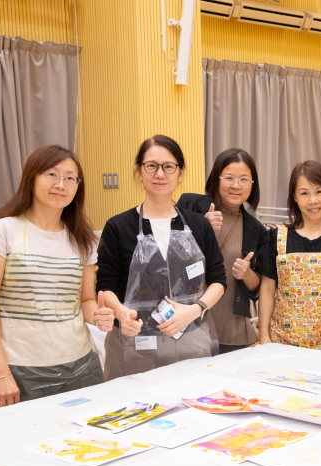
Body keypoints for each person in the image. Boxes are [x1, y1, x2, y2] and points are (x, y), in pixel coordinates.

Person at [0, 145, 107, 407]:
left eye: (70, 178)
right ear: (31, 178)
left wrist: (99, 316)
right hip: (19, 367)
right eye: (52, 174)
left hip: (81, 363)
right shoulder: (4, 230)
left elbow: (86, 300)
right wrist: (1, 373)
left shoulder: (84, 240)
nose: (61, 184)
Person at [96, 135, 226, 380]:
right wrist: (122, 313)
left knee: (190, 398)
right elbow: (105, 286)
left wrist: (195, 310)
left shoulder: (198, 225)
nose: (159, 174)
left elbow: (218, 280)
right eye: (151, 166)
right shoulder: (118, 227)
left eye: (168, 167)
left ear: (180, 173)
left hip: (190, 337)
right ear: (139, 171)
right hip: (134, 341)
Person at [177, 149, 266, 353]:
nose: (236, 185)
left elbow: (258, 289)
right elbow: (167, 256)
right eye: (229, 178)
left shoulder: (257, 231)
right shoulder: (190, 207)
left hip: (231, 328)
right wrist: (201, 227)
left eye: (244, 179)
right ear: (216, 178)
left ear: (252, 185)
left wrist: (248, 274)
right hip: (186, 322)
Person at [258, 161, 321, 353]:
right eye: (304, 193)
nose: (313, 200)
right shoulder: (276, 237)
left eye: (319, 192)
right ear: (294, 197)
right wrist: (264, 335)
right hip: (283, 342)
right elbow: (267, 288)